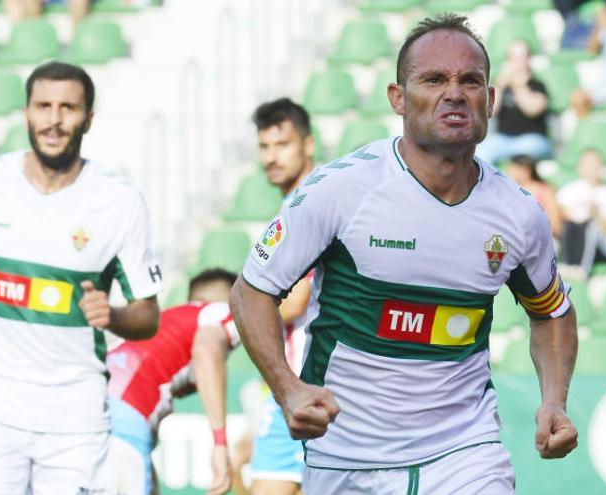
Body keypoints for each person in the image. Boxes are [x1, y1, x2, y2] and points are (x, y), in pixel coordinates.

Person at [230, 13, 579, 494]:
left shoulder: (519, 214)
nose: (454, 93)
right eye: (434, 79)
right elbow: (251, 293)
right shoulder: (342, 190)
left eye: (470, 81)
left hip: (465, 451)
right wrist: (286, 388)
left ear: (491, 100)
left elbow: (553, 313)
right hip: (346, 456)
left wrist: (554, 400)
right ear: (398, 98)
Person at [0, 61, 162, 494]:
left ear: (88, 118)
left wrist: (114, 315)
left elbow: (149, 315)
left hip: (76, 417)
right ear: (26, 112)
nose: (54, 120)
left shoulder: (119, 203)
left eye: (68, 108)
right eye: (43, 106)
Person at [107, 268, 240, 495]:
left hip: (88, 411)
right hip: (125, 420)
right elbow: (207, 350)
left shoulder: (167, 320)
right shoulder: (223, 312)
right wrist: (219, 444)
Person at [242, 97, 316, 495]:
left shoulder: (305, 206)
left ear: (308, 145)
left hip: (303, 383)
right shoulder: (304, 202)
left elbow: (295, 301)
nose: (271, 157)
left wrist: (244, 315)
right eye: (264, 147)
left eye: (282, 145)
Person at [476, 40, 552, 166]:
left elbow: (533, 109)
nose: (518, 63)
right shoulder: (501, 85)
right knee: (480, 152)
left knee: (524, 156)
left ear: (529, 60)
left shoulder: (537, 85)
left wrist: (518, 85)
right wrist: (499, 86)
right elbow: (490, 112)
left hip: (533, 140)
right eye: (514, 58)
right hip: (503, 140)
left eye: (522, 57)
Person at [557, 149, 606, 278]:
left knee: (590, 227)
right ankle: (566, 265)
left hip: (602, 246)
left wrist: (595, 214)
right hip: (573, 240)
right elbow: (563, 218)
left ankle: (581, 269)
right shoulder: (569, 190)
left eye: (596, 164)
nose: (592, 169)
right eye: (587, 164)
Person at [506, 154, 563, 238]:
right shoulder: (509, 190)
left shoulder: (545, 191)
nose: (509, 172)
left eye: (514, 169)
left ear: (526, 170)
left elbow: (556, 226)